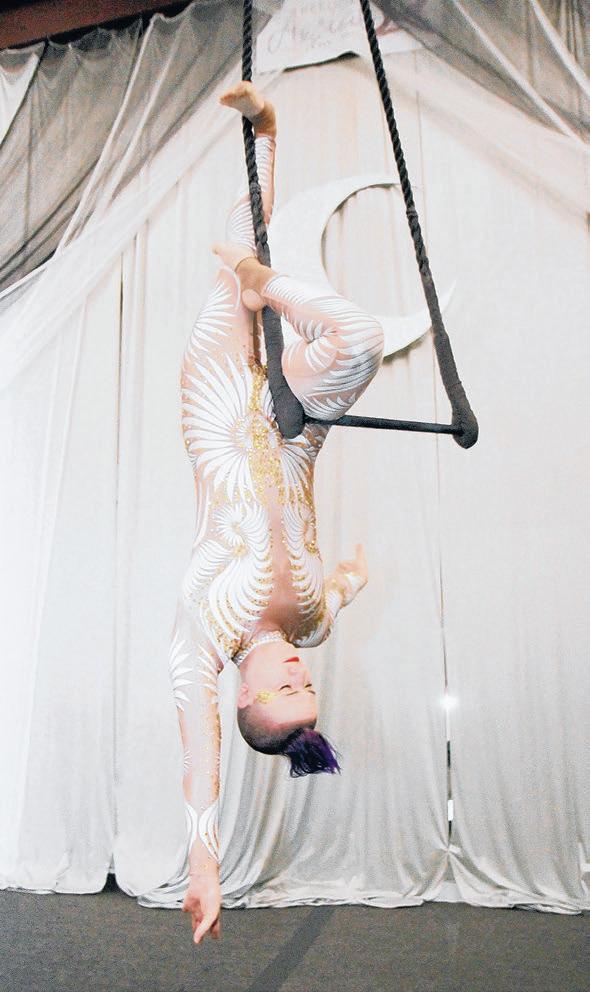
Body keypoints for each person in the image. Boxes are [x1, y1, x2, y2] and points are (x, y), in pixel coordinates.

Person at [175, 81, 384, 944]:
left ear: (246, 693)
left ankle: (263, 133)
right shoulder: (312, 623)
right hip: (296, 429)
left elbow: (200, 757)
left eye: (283, 690)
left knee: (235, 265)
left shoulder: (204, 634)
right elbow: (338, 592)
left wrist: (204, 864)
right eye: (308, 687)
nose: (299, 674)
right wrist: (353, 578)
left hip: (223, 410)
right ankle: (270, 285)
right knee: (361, 339)